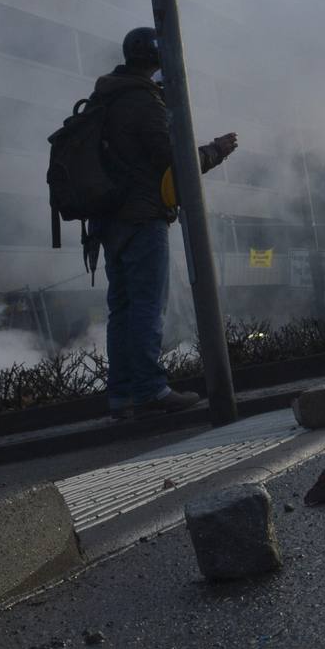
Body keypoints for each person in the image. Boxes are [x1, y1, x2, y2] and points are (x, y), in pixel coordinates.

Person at [93, 27, 238, 420]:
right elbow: (175, 161)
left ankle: (122, 394)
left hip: (110, 221)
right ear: (158, 59)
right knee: (146, 305)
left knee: (122, 307)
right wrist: (215, 151)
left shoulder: (106, 96)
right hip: (142, 216)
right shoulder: (141, 101)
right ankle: (150, 390)